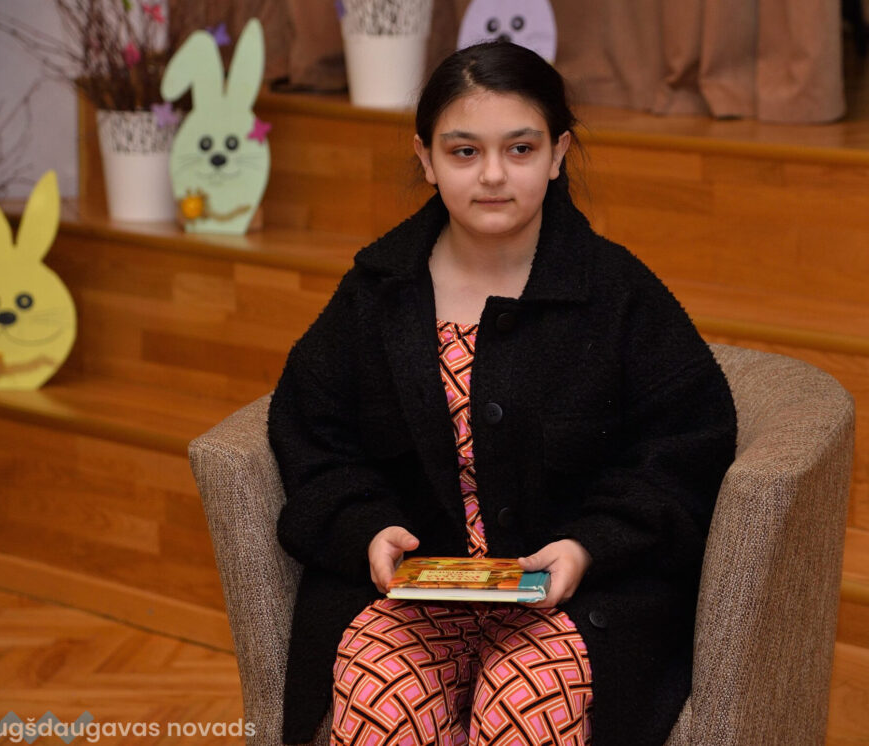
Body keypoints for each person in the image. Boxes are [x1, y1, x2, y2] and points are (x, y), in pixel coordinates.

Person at [268, 41, 737, 746]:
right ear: (426, 159)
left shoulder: (619, 294)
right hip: (413, 600)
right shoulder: (376, 293)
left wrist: (590, 546)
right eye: (464, 152)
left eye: (520, 149)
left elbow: (685, 450)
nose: (493, 175)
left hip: (581, 597)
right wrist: (365, 527)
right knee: (379, 709)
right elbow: (313, 436)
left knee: (524, 713)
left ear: (557, 154)